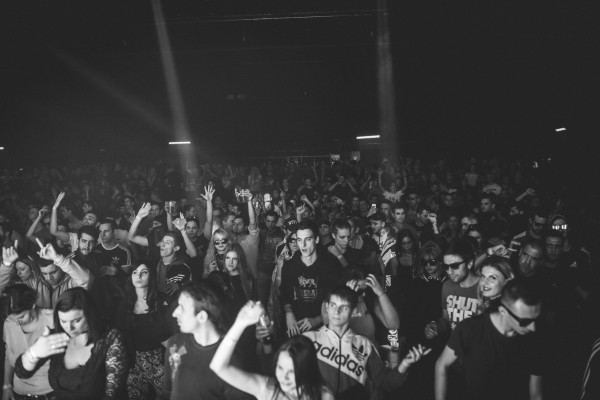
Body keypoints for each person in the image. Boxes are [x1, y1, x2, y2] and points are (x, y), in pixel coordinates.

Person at [303, 286, 430, 400]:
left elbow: (385, 383)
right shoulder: (308, 339)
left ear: (353, 311)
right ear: (327, 307)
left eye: (344, 307)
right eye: (333, 305)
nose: (337, 312)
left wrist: (405, 363)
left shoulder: (365, 345)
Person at [434, 277, 543, 400]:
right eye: (525, 322)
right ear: (503, 311)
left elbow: (536, 395)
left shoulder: (536, 341)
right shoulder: (471, 328)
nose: (533, 327)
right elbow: (442, 364)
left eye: (536, 319)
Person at [15, 287, 128, 400]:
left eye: (76, 320)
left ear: (90, 315)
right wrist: (34, 353)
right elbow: (22, 373)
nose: (69, 328)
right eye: (63, 321)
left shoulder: (110, 338)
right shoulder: (57, 337)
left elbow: (112, 394)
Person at [210, 300, 334, 400]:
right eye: (280, 368)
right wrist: (240, 323)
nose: (284, 377)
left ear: (307, 369)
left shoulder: (324, 396)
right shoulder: (268, 390)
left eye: (291, 371)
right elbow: (218, 367)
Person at [163, 280, 252, 400]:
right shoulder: (175, 343)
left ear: (202, 317)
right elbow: (167, 392)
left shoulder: (230, 360)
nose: (174, 313)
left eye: (182, 308)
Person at [115, 262, 170, 400]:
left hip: (161, 362)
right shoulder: (125, 304)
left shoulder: (162, 301)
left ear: (151, 276)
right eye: (135, 272)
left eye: (144, 272)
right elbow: (120, 338)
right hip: (135, 363)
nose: (138, 276)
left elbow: (172, 335)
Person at [280, 221, 342, 336]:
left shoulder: (331, 265)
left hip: (325, 330)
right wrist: (288, 313)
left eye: (308, 239)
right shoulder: (289, 266)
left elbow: (340, 300)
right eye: (299, 240)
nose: (303, 245)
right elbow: (284, 294)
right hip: (297, 328)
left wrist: (318, 319)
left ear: (316, 239)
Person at [1, 285, 55, 400]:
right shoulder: (9, 323)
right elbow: (9, 356)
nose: (16, 322)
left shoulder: (53, 319)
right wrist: (7, 385)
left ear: (32, 305)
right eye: (13, 318)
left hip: (51, 392)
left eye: (21, 317)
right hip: (20, 393)